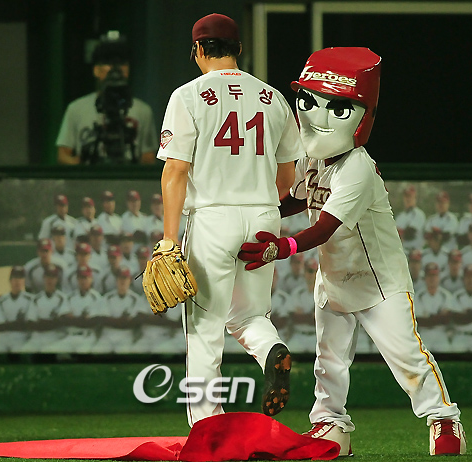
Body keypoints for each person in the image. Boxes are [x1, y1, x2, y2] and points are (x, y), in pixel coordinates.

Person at [238, 47, 465, 456]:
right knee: (328, 360)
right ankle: (331, 426)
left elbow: (324, 227)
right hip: (334, 278)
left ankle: (444, 419)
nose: (317, 116)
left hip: (379, 281)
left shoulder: (358, 166)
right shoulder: (314, 158)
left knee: (408, 358)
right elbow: (296, 200)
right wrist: (255, 212)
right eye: (309, 101)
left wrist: (281, 247)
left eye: (336, 107)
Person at [156, 13, 305, 426]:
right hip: (263, 216)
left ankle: (207, 426)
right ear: (239, 49)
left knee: (205, 328)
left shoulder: (188, 95)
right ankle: (271, 349)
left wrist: (169, 239)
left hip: (212, 218)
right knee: (250, 315)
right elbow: (287, 176)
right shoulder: (273, 98)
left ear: (198, 50)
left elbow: (176, 171)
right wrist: (260, 205)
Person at [56, 31, 158, 165]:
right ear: (96, 69)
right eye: (108, 62)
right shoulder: (76, 109)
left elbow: (148, 158)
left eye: (121, 62)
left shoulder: (143, 111)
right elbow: (63, 155)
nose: (115, 69)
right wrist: (83, 166)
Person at [0, 266, 34, 354]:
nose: (17, 281)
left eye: (20, 278)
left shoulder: (30, 299)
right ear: (10, 280)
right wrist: (18, 323)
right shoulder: (2, 300)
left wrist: (7, 325)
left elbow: (29, 325)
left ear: (24, 281)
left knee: (19, 354)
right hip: (2, 341)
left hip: (21, 340)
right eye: (15, 278)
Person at [395, 185, 426, 252]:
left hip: (415, 252)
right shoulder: (400, 216)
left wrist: (399, 233)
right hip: (402, 251)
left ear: (415, 198)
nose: (408, 199)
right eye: (406, 196)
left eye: (410, 196)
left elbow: (410, 234)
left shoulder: (419, 214)